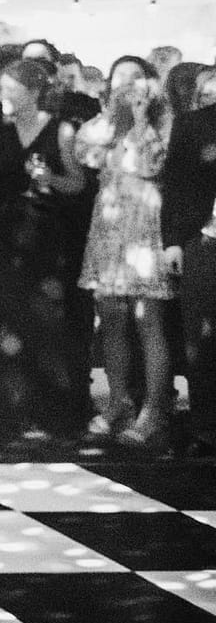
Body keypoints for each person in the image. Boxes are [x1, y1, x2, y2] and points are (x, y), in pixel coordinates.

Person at [0, 57, 92, 434]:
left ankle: (52, 409)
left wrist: (50, 178)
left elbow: (78, 183)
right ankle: (6, 408)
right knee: (7, 317)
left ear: (33, 91)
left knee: (47, 321)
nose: (2, 96)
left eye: (10, 89)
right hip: (5, 236)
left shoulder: (61, 131)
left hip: (47, 236)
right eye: (1, 89)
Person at [75, 56, 174, 445]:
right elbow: (87, 154)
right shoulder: (102, 125)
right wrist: (117, 120)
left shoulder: (162, 124)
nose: (129, 87)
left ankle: (156, 409)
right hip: (110, 228)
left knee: (148, 319)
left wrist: (139, 121)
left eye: (137, 79)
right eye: (121, 80)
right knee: (112, 316)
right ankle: (119, 401)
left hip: (147, 229)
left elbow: (151, 164)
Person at [160, 84, 216, 457]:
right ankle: (206, 429)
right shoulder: (194, 124)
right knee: (201, 338)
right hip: (204, 240)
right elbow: (175, 187)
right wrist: (174, 241)